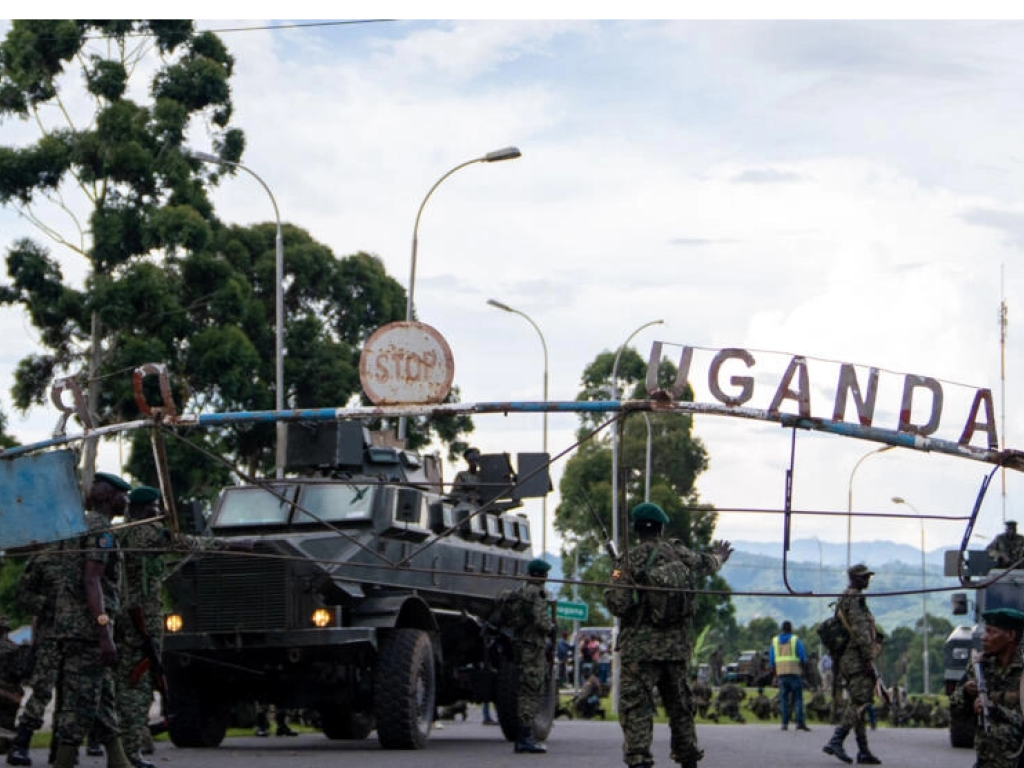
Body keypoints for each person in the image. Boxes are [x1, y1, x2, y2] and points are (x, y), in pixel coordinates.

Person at [603, 502, 731, 768]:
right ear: (661, 528)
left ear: (636, 529)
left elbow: (619, 605)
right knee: (680, 707)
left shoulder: (629, 559)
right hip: (676, 649)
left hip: (640, 650)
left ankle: (639, 759)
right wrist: (719, 556)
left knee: (637, 707)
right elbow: (705, 563)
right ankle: (688, 758)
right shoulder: (678, 553)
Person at [51, 471, 133, 768]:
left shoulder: (75, 526)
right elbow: (91, 581)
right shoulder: (102, 532)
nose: (127, 501)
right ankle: (63, 760)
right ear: (112, 499)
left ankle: (118, 759)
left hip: (70, 625)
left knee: (103, 695)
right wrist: (103, 632)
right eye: (124, 495)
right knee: (81, 701)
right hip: (88, 630)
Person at [7, 544, 63, 767]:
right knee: (42, 690)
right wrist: (47, 605)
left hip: (78, 636)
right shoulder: (43, 559)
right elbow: (23, 594)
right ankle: (21, 744)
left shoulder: (84, 556)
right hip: (50, 636)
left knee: (73, 692)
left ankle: (62, 748)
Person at [492, 557, 554, 754]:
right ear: (542, 575)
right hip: (533, 647)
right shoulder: (536, 595)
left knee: (524, 688)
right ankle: (525, 738)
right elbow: (542, 623)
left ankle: (524, 736)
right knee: (531, 690)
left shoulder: (518, 592)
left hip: (519, 645)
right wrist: (551, 626)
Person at [822, 564, 881, 765]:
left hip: (847, 659)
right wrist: (868, 658)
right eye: (864, 577)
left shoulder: (845, 597)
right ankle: (836, 740)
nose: (867, 580)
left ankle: (863, 750)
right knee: (861, 701)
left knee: (858, 701)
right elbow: (860, 631)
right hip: (856, 658)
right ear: (854, 579)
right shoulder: (855, 599)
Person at [950, 607, 1024, 768]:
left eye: (991, 632)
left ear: (1010, 635)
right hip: (988, 760)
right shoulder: (980, 666)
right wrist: (966, 694)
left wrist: (997, 710)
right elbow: (955, 711)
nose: (983, 638)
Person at [769, 620, 810, 732]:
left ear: (782, 629)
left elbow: (771, 660)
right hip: (794, 672)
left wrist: (774, 674)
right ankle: (799, 723)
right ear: (791, 628)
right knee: (797, 698)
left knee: (783, 699)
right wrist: (805, 670)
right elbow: (803, 657)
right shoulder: (795, 640)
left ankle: (784, 723)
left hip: (781, 673)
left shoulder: (775, 641)